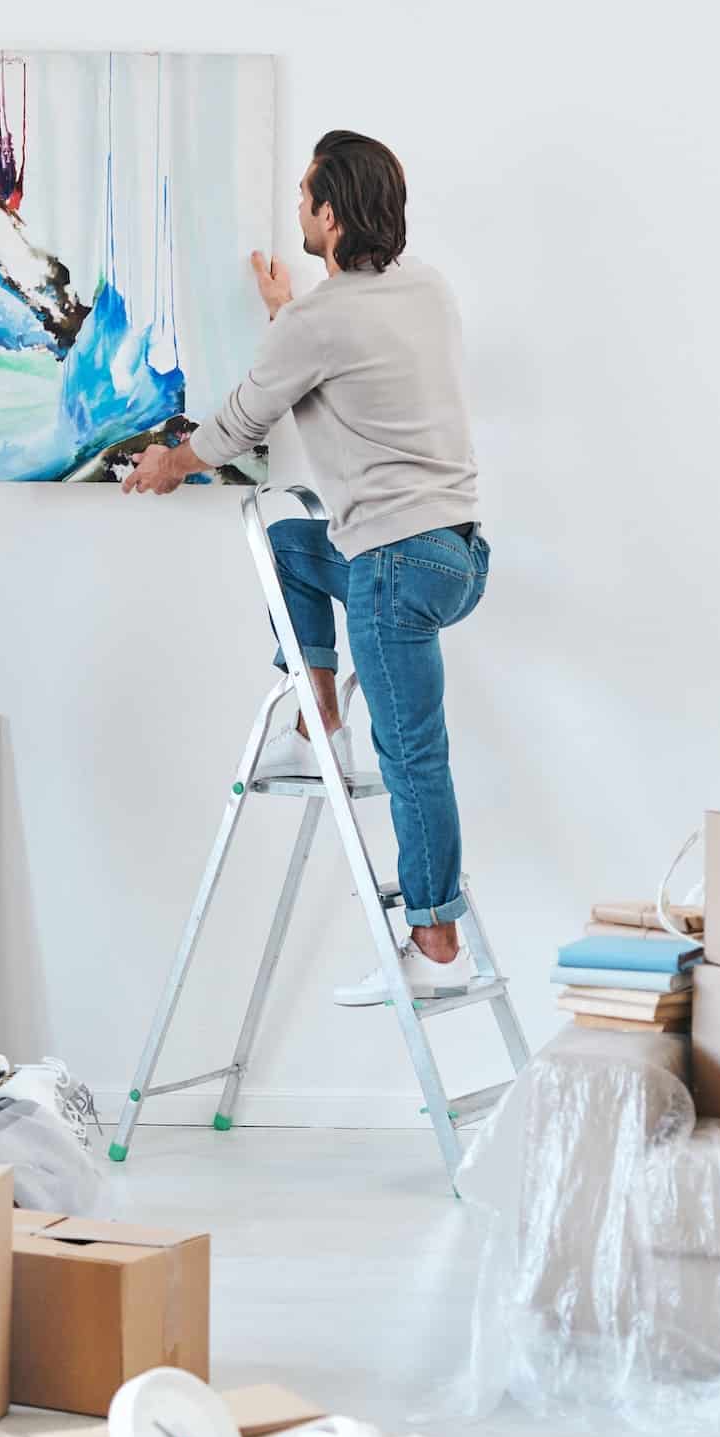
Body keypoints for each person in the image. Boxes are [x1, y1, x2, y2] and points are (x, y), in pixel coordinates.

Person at [123, 130, 486, 1003]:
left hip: (394, 563)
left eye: (303, 199)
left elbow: (244, 418)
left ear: (329, 213)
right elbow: (346, 350)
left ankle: (436, 942)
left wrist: (169, 464)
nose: (295, 210)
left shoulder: (323, 321)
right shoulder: (426, 290)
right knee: (292, 544)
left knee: (412, 759)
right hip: (458, 556)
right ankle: (319, 710)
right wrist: (289, 314)